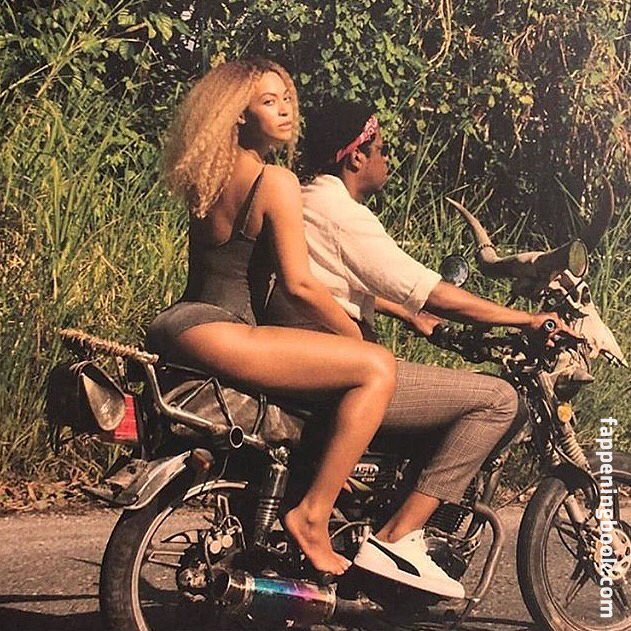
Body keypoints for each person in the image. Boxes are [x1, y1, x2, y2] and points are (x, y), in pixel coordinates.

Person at [264, 100, 574, 599]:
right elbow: (432, 291)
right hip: (335, 369)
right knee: (497, 400)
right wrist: (526, 318)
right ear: (356, 156)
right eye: (382, 149)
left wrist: (409, 315)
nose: (387, 160)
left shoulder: (305, 198)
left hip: (301, 358)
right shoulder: (344, 214)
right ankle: (398, 538)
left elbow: (336, 276)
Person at [145, 62, 397, 576]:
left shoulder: (209, 177)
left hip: (180, 323)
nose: (284, 110)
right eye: (268, 101)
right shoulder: (274, 181)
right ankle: (312, 516)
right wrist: (356, 334)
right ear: (238, 114)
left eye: (286, 98)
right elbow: (300, 285)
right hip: (224, 329)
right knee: (377, 368)